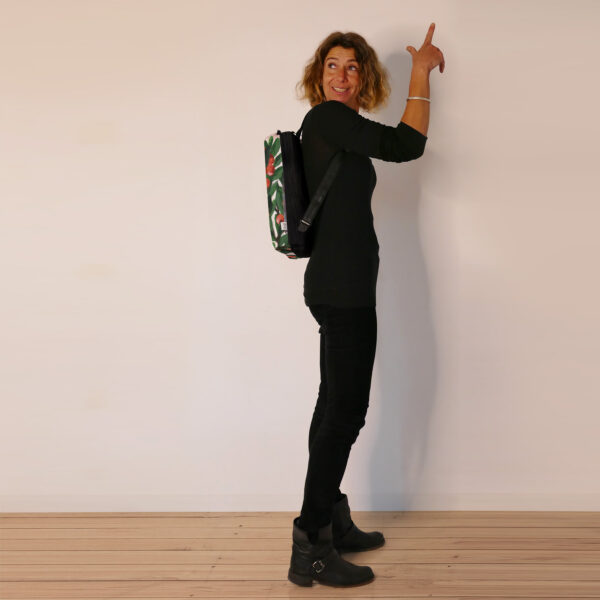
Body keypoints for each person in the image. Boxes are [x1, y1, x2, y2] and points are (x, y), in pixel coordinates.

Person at [287, 25, 445, 588]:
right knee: (346, 412)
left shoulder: (338, 128)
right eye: (332, 65)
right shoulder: (329, 119)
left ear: (364, 78)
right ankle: (310, 546)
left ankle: (331, 517)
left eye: (352, 67)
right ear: (319, 75)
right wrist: (421, 72)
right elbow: (407, 145)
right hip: (343, 290)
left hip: (339, 285)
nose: (341, 75)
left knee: (332, 405)